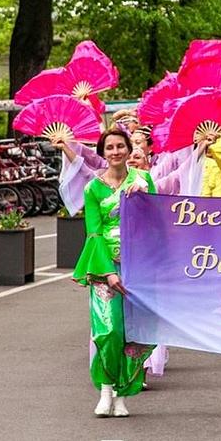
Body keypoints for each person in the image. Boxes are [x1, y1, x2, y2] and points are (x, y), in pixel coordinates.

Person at [72, 128, 156, 418]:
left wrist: (143, 198)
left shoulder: (143, 180)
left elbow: (158, 221)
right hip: (104, 268)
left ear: (129, 149)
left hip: (139, 267)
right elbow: (93, 233)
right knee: (108, 331)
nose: (116, 151)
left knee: (134, 335)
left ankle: (123, 394)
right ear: (103, 152)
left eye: (121, 146)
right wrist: (108, 272)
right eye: (110, 147)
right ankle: (106, 389)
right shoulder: (92, 189)